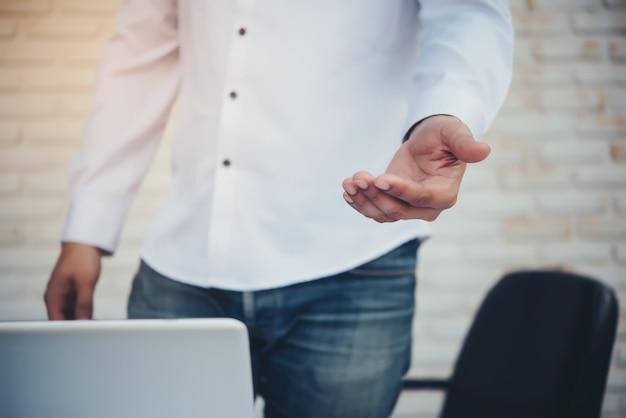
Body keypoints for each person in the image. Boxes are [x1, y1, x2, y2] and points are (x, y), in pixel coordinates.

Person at [44, 1, 514, 417]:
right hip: (183, 266)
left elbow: (467, 12)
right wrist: (88, 225)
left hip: (354, 265)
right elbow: (139, 53)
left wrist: (445, 110)